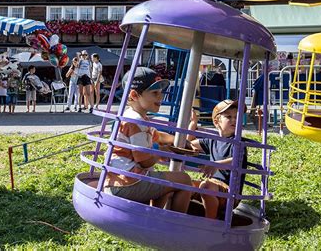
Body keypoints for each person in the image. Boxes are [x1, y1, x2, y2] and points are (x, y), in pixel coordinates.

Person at [104, 67, 192, 213]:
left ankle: (153, 217)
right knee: (184, 180)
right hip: (128, 182)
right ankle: (176, 224)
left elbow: (157, 135)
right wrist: (164, 151)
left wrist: (178, 140)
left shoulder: (135, 117)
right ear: (134, 95)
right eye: (154, 93)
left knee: (168, 187)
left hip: (122, 180)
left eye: (161, 92)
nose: (160, 97)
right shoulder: (135, 121)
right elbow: (144, 160)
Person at [187, 99, 249, 219]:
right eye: (229, 117)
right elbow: (189, 144)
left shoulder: (238, 142)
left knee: (206, 187)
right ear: (217, 122)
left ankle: (210, 222)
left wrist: (216, 164)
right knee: (186, 184)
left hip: (230, 191)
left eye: (237, 117)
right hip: (213, 185)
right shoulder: (213, 141)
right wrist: (193, 123)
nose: (234, 120)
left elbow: (237, 159)